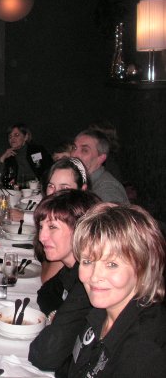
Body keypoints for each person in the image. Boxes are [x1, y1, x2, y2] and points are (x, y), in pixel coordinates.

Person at [61, 203, 166, 377]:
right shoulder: (102, 312)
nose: (95, 276)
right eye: (87, 261)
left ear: (143, 268)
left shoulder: (144, 351)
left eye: (112, 264)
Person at [28, 189, 101, 372]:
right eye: (41, 227)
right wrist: (59, 315)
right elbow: (44, 293)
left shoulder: (89, 281)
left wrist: (61, 319)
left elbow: (45, 356)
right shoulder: (71, 269)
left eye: (52, 227)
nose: (42, 237)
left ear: (81, 230)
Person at [71, 129, 128, 204]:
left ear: (101, 158)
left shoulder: (106, 190)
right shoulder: (83, 181)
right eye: (74, 148)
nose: (74, 155)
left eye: (84, 150)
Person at [0, 123, 53, 187]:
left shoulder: (37, 150)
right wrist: (2, 159)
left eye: (16, 135)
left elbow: (50, 169)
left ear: (26, 137)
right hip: (16, 190)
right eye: (10, 137)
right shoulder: (9, 156)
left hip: (37, 187)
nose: (12, 139)